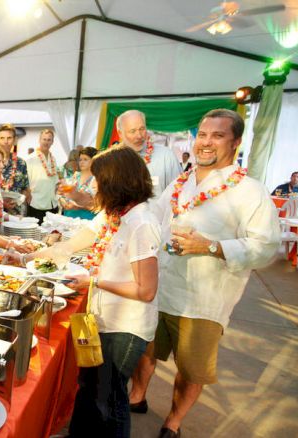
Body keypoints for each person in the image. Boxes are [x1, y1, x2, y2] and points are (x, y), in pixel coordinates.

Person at [128, 109, 280, 438]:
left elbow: (266, 246)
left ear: (236, 142)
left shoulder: (250, 191)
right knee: (146, 350)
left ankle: (173, 422)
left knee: (191, 368)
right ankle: (136, 397)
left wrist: (211, 247)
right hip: (162, 287)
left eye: (218, 135)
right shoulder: (181, 182)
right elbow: (152, 217)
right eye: (203, 135)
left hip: (204, 300)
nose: (206, 142)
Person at [32, 145, 161, 438]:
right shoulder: (113, 214)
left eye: (98, 180)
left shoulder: (141, 223)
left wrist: (93, 281)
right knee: (88, 386)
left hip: (125, 327)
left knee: (111, 400)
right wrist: (27, 256)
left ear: (116, 181)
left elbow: (146, 290)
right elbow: (73, 244)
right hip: (100, 318)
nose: (93, 185)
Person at [116, 110, 181, 198]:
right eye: (132, 131)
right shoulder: (112, 161)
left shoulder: (166, 156)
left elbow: (179, 191)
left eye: (142, 129)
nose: (139, 136)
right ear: (120, 133)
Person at [26, 129, 60, 223]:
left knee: (52, 230)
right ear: (39, 140)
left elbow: (55, 181)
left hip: (52, 203)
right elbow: (26, 181)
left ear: (52, 142)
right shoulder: (30, 158)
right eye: (44, 139)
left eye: (49, 140)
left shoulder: (53, 159)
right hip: (36, 203)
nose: (46, 142)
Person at [0, 123, 30, 215]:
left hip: (18, 213)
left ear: (14, 140)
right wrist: (2, 202)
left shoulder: (21, 163)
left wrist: (20, 200)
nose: (5, 141)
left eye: (9, 138)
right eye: (2, 138)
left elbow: (25, 189)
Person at [60, 147, 98, 220]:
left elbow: (98, 206)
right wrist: (62, 200)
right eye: (80, 160)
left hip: (86, 220)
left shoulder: (96, 179)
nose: (81, 162)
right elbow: (65, 195)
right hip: (69, 217)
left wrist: (79, 206)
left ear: (94, 160)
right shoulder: (76, 175)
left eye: (85, 159)